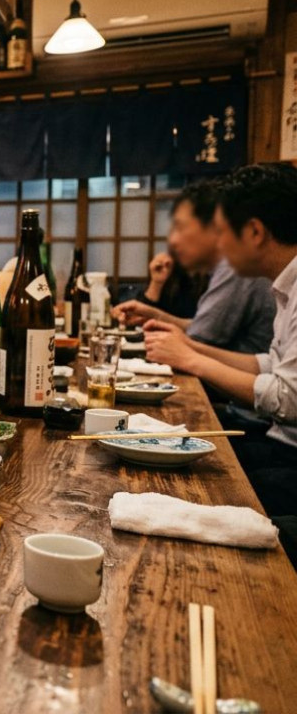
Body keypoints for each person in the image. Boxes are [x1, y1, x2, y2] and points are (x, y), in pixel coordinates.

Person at [142, 163, 297, 547]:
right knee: (172, 470)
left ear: (256, 232)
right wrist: (189, 347)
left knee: (182, 489)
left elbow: (287, 398)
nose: (221, 245)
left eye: (225, 232)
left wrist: (191, 359)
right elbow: (268, 366)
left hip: (289, 463)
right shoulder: (284, 287)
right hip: (277, 446)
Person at [113, 180, 275, 354]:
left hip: (234, 378)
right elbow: (202, 327)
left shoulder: (235, 268)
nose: (173, 240)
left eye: (181, 227)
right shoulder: (223, 267)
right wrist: (155, 315)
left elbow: (199, 337)